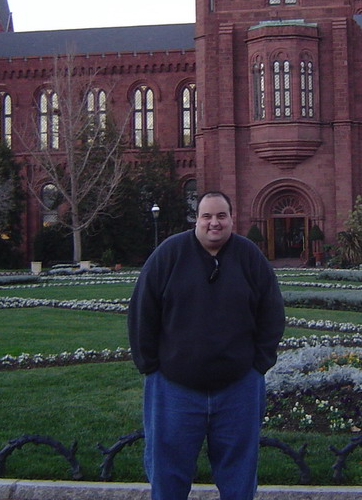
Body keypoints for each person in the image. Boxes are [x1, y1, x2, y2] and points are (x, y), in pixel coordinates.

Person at [127, 190, 286, 500]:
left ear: (231, 219)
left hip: (238, 386)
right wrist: (151, 368)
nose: (215, 223)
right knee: (168, 473)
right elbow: (142, 312)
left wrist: (258, 365)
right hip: (174, 387)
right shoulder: (169, 254)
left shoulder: (249, 256)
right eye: (207, 216)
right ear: (196, 219)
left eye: (221, 216)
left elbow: (271, 312)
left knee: (239, 477)